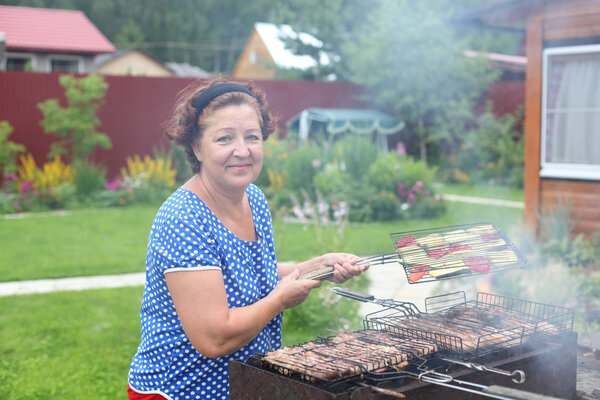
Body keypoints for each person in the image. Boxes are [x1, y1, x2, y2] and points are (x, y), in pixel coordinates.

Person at [127, 77, 367, 400]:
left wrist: (319, 266)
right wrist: (279, 300)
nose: (243, 151)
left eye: (252, 137)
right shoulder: (183, 219)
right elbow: (214, 339)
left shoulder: (253, 199)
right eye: (225, 138)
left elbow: (255, 274)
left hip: (243, 386)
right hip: (180, 391)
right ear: (197, 147)